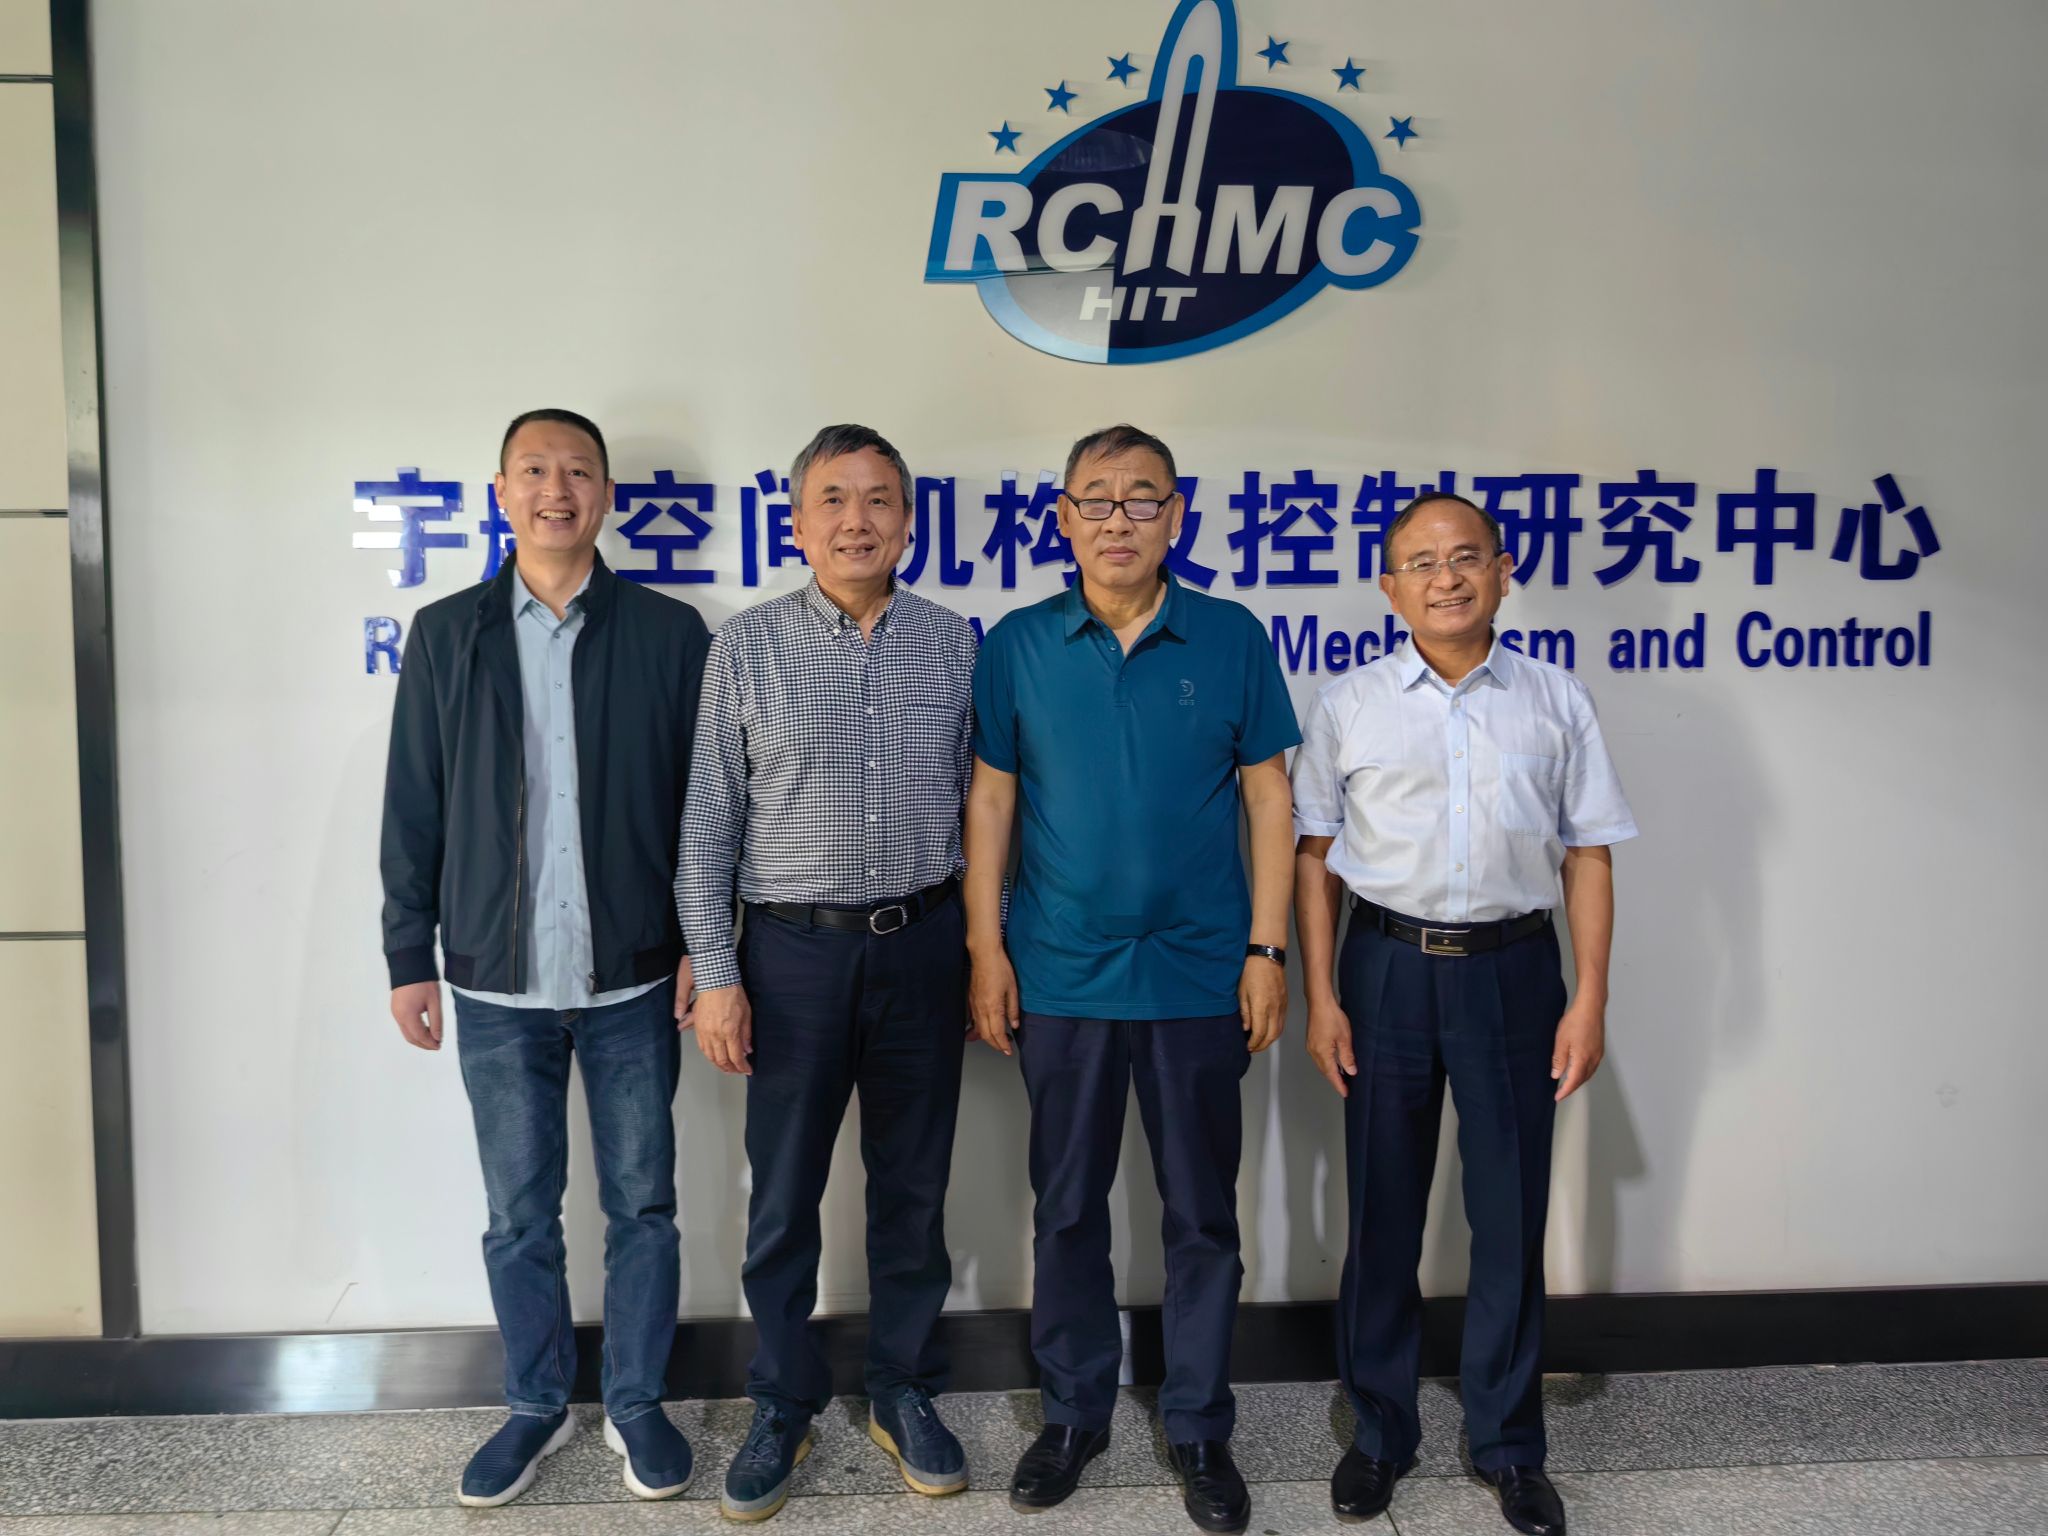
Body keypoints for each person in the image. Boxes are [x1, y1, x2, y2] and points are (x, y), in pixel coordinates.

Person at [964, 424, 1299, 1535]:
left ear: (1176, 516)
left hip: (1201, 976)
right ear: (1062, 519)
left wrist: (1267, 950)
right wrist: (985, 951)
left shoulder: (1231, 635)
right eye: (1096, 499)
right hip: (1060, 973)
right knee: (1066, 1208)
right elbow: (992, 801)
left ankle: (1199, 1422)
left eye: (1142, 498)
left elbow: (1268, 799)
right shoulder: (1018, 644)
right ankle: (1074, 1413)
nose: (1119, 519)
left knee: (1202, 1213)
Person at [380, 408, 710, 1507]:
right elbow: (414, 802)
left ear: (606, 494)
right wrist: (407, 953)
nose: (555, 490)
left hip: (635, 975)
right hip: (494, 979)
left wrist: (705, 946)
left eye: (577, 472)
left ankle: (635, 1403)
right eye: (534, 470)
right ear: (500, 492)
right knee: (519, 1214)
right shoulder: (447, 633)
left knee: (643, 1206)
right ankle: (533, 1405)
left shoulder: (669, 633)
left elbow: (705, 809)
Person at [1291, 492, 1638, 1536]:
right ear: (1388, 586)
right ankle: (1379, 1432)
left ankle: (1509, 1444)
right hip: (1384, 972)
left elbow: (1587, 854)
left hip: (1513, 974)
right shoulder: (1350, 702)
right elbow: (1314, 859)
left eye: (1465, 558)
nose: (1445, 579)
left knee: (1509, 1215)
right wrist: (1321, 996)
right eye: (1421, 563)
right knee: (1381, 1213)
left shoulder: (1554, 699)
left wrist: (1589, 999)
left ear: (1502, 569)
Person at [679, 424, 980, 1522]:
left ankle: (903, 1387)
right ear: (797, 523)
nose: (858, 521)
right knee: (784, 1195)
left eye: (879, 499)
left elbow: (986, 810)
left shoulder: (953, 645)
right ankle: (781, 1402)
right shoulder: (746, 647)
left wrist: (984, 951)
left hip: (923, 945)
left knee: (913, 1189)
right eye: (834, 500)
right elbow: (708, 822)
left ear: (909, 520)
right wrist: (718, 972)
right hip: (790, 956)